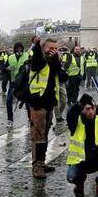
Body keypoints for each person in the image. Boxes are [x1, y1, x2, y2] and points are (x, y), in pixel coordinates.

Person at [28, 37, 68, 179]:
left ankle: (42, 162)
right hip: (37, 102)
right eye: (50, 48)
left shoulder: (55, 62)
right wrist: (38, 45)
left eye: (55, 48)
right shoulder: (38, 59)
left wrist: (57, 62)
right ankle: (37, 167)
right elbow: (37, 60)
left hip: (50, 103)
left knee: (44, 135)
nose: (53, 51)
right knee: (38, 135)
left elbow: (64, 77)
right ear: (43, 48)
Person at [66, 94, 98, 196]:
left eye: (92, 108)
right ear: (82, 110)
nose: (91, 112)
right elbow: (70, 115)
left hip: (96, 157)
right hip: (80, 160)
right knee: (71, 177)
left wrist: (96, 152)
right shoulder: (75, 122)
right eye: (87, 109)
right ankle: (79, 184)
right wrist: (78, 104)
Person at [6, 42, 29, 127]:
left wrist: (28, 67)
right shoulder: (10, 57)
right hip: (13, 82)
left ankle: (30, 118)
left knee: (28, 102)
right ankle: (10, 119)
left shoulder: (26, 55)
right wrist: (6, 68)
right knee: (8, 101)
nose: (19, 49)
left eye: (20, 48)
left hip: (24, 82)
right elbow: (4, 68)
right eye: (17, 48)